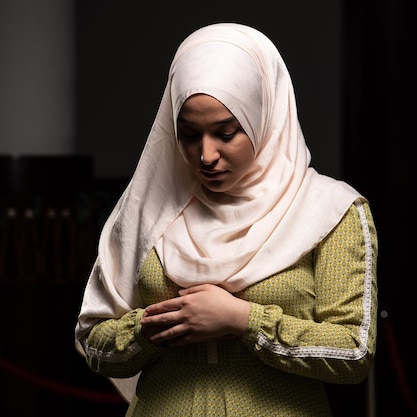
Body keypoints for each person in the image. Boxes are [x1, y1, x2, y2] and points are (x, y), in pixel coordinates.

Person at [74, 22, 378, 416]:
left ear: (264, 116)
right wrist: (150, 330)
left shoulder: (331, 211)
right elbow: (94, 345)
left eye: (226, 132)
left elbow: (353, 354)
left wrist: (242, 320)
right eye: (188, 134)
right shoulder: (148, 209)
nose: (206, 155)